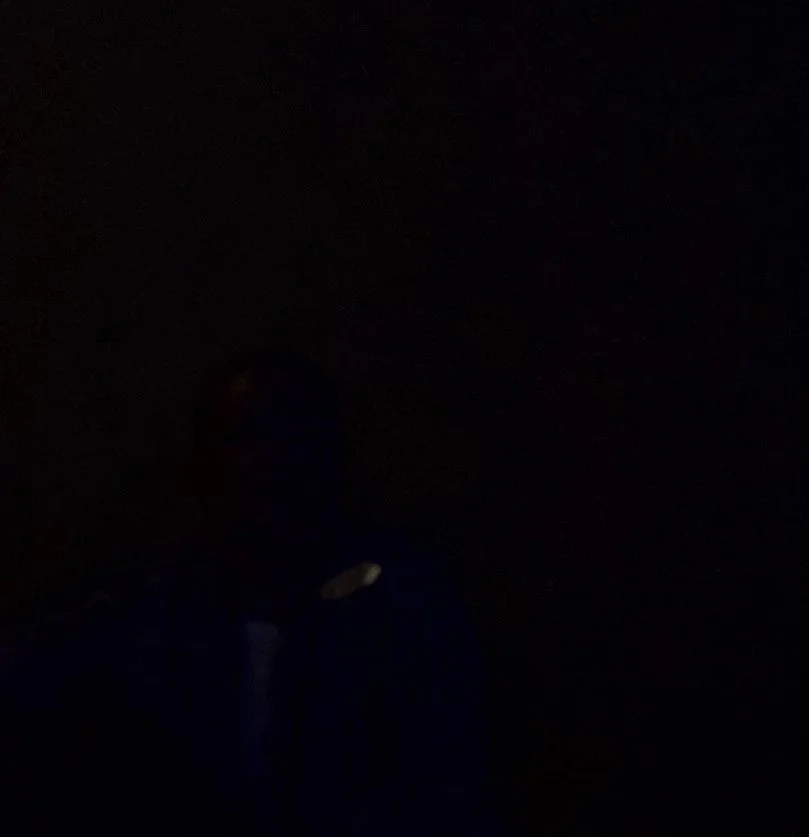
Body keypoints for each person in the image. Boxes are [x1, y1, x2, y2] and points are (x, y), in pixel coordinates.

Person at [0, 345, 508, 833]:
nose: (268, 460)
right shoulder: (148, 618)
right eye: (245, 437)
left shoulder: (404, 611)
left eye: (292, 435)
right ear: (205, 462)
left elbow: (445, 785)